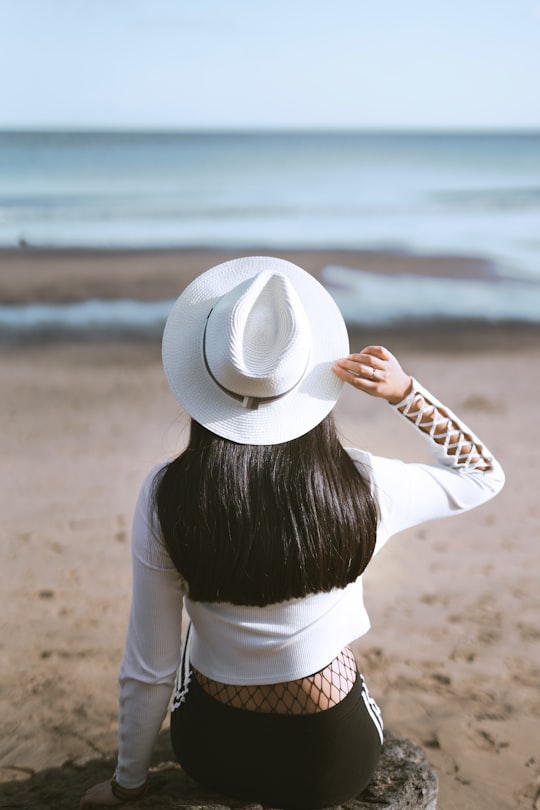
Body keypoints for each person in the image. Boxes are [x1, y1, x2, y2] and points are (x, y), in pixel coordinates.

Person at [80, 256, 504, 809]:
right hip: (334, 763)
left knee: (183, 641)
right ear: (308, 380)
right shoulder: (363, 482)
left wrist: (126, 787)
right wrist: (405, 394)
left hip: (213, 755)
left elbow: (147, 666)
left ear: (206, 377)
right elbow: (481, 475)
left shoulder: (168, 493)